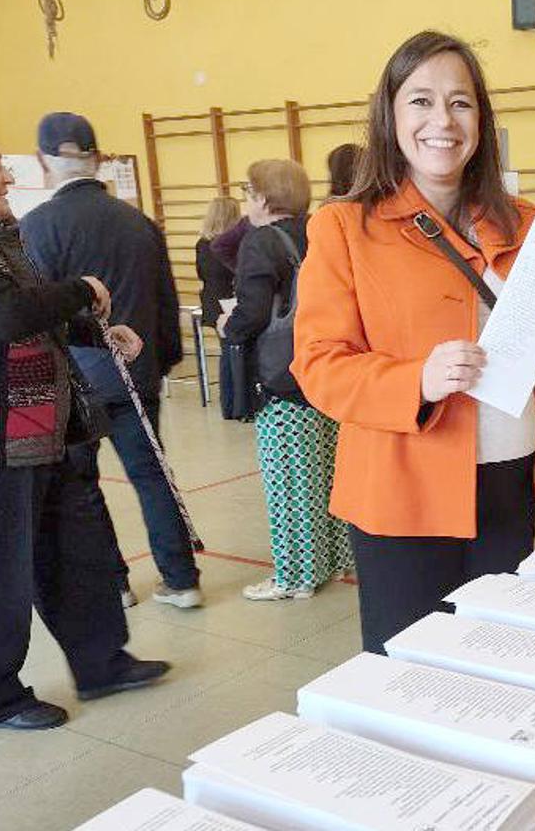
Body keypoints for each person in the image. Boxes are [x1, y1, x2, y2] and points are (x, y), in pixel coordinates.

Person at [292, 31, 535, 653]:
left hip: (508, 477)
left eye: (460, 103)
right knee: (408, 666)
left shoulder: (529, 225)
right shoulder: (344, 227)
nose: (441, 121)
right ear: (389, 116)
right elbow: (318, 365)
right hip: (402, 488)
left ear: (481, 119)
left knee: (493, 654)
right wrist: (415, 380)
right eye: (420, 101)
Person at [0, 117, 170, 730]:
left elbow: (32, 319)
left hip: (49, 423)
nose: (5, 174)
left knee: (77, 551)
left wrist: (92, 328)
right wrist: (82, 290)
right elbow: (7, 316)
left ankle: (102, 662)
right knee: (0, 570)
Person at [20, 112, 201, 610]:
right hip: (135, 373)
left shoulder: (36, 227)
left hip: (75, 381)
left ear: (43, 162)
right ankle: (182, 579)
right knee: (152, 476)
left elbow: (37, 313)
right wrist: (162, 364)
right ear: (97, 159)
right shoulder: (139, 223)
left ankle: (115, 584)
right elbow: (166, 302)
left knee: (84, 488)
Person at [221, 159, 352, 601]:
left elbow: (253, 312)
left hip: (281, 378)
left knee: (288, 479)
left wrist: (228, 326)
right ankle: (331, 561)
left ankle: (294, 575)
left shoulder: (261, 243)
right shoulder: (320, 231)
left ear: (261, 197)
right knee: (326, 474)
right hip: (326, 369)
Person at [196, 196, 241, 328]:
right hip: (234, 303)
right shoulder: (237, 243)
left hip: (213, 302)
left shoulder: (203, 244)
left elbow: (201, 273)